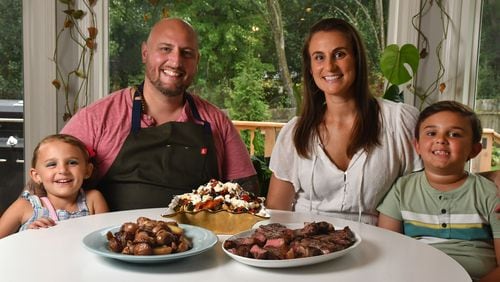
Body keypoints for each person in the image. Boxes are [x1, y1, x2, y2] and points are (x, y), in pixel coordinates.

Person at [61, 18, 257, 211]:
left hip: (201, 241)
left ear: (197, 60)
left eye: (187, 53)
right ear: (145, 52)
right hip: (113, 240)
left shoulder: (217, 122)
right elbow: (46, 183)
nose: (176, 61)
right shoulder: (96, 118)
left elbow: (248, 195)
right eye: (165, 49)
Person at [265, 18, 422, 225]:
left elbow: (422, 201)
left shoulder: (400, 122)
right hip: (304, 248)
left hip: (379, 247)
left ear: (357, 59)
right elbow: (277, 211)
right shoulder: (295, 132)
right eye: (319, 57)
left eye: (339, 54)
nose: (329, 66)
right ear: (310, 69)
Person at [377, 101, 499, 281]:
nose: (441, 139)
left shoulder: (490, 194)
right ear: (417, 146)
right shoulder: (401, 190)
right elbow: (387, 249)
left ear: (474, 150)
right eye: (431, 133)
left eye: (454, 134)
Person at [0, 134, 108, 239]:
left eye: (72, 162)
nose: (63, 170)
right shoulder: (23, 207)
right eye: (52, 164)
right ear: (37, 176)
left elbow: (105, 240)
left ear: (87, 170)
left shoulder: (93, 200)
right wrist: (27, 237)